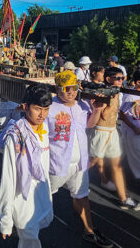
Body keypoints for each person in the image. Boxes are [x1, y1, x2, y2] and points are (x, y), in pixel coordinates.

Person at [47, 70, 113, 248]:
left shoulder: (82, 104)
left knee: (82, 196)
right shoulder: (49, 107)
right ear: (57, 88)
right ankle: (26, 228)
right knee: (43, 196)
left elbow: (89, 125)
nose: (71, 92)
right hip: (56, 163)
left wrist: (97, 110)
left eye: (74, 88)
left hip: (79, 164)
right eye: (66, 88)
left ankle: (89, 231)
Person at [0, 84, 53, 248]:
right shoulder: (15, 138)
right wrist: (5, 219)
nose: (42, 114)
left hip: (41, 196)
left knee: (32, 237)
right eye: (37, 109)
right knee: (30, 241)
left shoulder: (44, 128)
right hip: (22, 200)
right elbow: (8, 180)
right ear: (25, 106)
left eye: (46, 109)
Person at [88, 68, 140, 210]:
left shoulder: (116, 92)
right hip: (100, 132)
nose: (121, 81)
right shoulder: (104, 92)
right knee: (89, 163)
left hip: (112, 132)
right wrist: (112, 102)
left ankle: (123, 199)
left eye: (122, 78)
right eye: (118, 78)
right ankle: (71, 181)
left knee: (117, 166)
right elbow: (104, 115)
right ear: (108, 79)